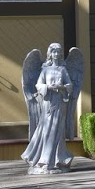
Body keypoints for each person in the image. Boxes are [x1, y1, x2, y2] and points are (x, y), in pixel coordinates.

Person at [22, 42, 74, 175]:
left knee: (58, 130)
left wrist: (62, 87)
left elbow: (70, 85)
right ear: (50, 54)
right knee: (46, 130)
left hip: (59, 102)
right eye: (54, 52)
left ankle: (57, 160)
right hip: (48, 102)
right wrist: (48, 87)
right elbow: (39, 85)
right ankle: (43, 160)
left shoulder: (63, 70)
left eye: (58, 52)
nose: (56, 54)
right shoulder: (45, 70)